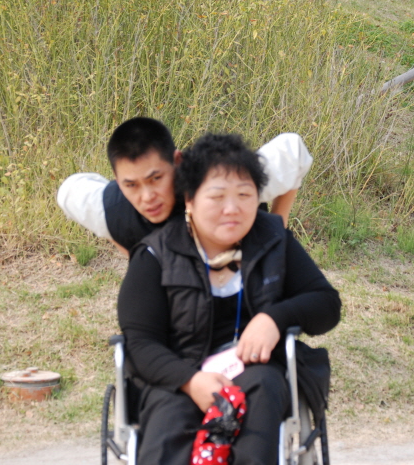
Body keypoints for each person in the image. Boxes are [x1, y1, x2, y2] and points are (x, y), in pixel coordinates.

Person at [118, 133, 341, 464]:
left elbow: (326, 304)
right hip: (175, 378)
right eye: (217, 196)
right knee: (169, 418)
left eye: (244, 194)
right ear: (189, 199)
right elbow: (140, 344)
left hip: (256, 372)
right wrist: (190, 381)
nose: (232, 209)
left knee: (263, 388)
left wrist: (274, 319)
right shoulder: (155, 255)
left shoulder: (273, 240)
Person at [56, 117, 312, 255]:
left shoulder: (224, 181)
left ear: (177, 161)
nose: (147, 196)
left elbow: (293, 149)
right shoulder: (111, 209)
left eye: (156, 179)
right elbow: (69, 190)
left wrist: (278, 230)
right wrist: (124, 242)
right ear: (117, 179)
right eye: (131, 184)